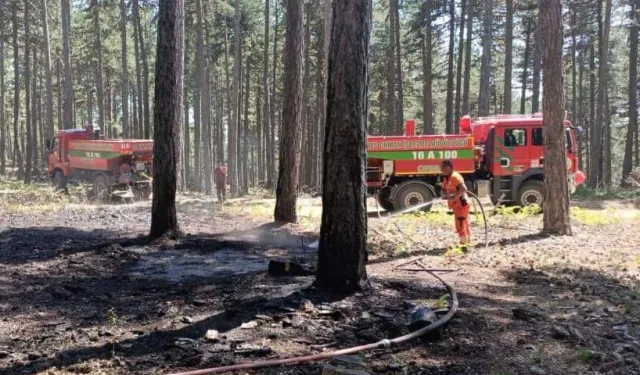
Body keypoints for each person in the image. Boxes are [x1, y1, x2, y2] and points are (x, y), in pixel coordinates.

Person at [440, 159, 471, 247]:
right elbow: (443, 189)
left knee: (461, 225)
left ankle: (464, 245)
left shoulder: (455, 177)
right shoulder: (447, 178)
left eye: (442, 168)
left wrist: (453, 197)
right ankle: (467, 242)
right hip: (456, 206)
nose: (441, 170)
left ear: (448, 167)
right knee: (464, 224)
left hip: (462, 205)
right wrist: (444, 194)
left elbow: (463, 189)